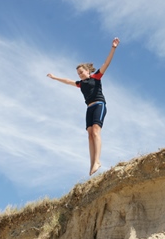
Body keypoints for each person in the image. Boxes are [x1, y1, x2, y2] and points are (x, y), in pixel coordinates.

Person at [47, 37, 120, 176]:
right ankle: (92, 164)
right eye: (78, 73)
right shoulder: (80, 84)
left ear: (88, 71)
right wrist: (55, 77)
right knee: (90, 135)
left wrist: (113, 48)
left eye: (81, 72)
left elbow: (106, 63)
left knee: (96, 131)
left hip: (99, 105)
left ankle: (97, 160)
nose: (80, 74)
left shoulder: (96, 77)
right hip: (89, 108)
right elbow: (68, 81)